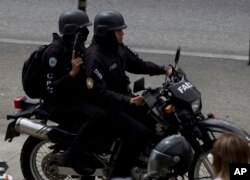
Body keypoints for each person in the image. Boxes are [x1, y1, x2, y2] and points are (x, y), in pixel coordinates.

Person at [85, 10, 172, 178]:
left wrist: (164, 70)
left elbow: (138, 65)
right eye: (118, 31)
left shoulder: (116, 48)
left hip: (123, 101)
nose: (122, 33)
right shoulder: (94, 57)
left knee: (155, 118)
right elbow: (100, 94)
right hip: (107, 109)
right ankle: (120, 174)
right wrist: (129, 101)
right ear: (106, 33)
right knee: (140, 133)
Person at [41, 10, 110, 174]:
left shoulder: (75, 47)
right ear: (73, 30)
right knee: (97, 115)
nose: (85, 33)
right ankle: (72, 156)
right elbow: (49, 90)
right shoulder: (54, 52)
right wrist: (72, 73)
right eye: (82, 30)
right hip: (57, 104)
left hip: (72, 98)